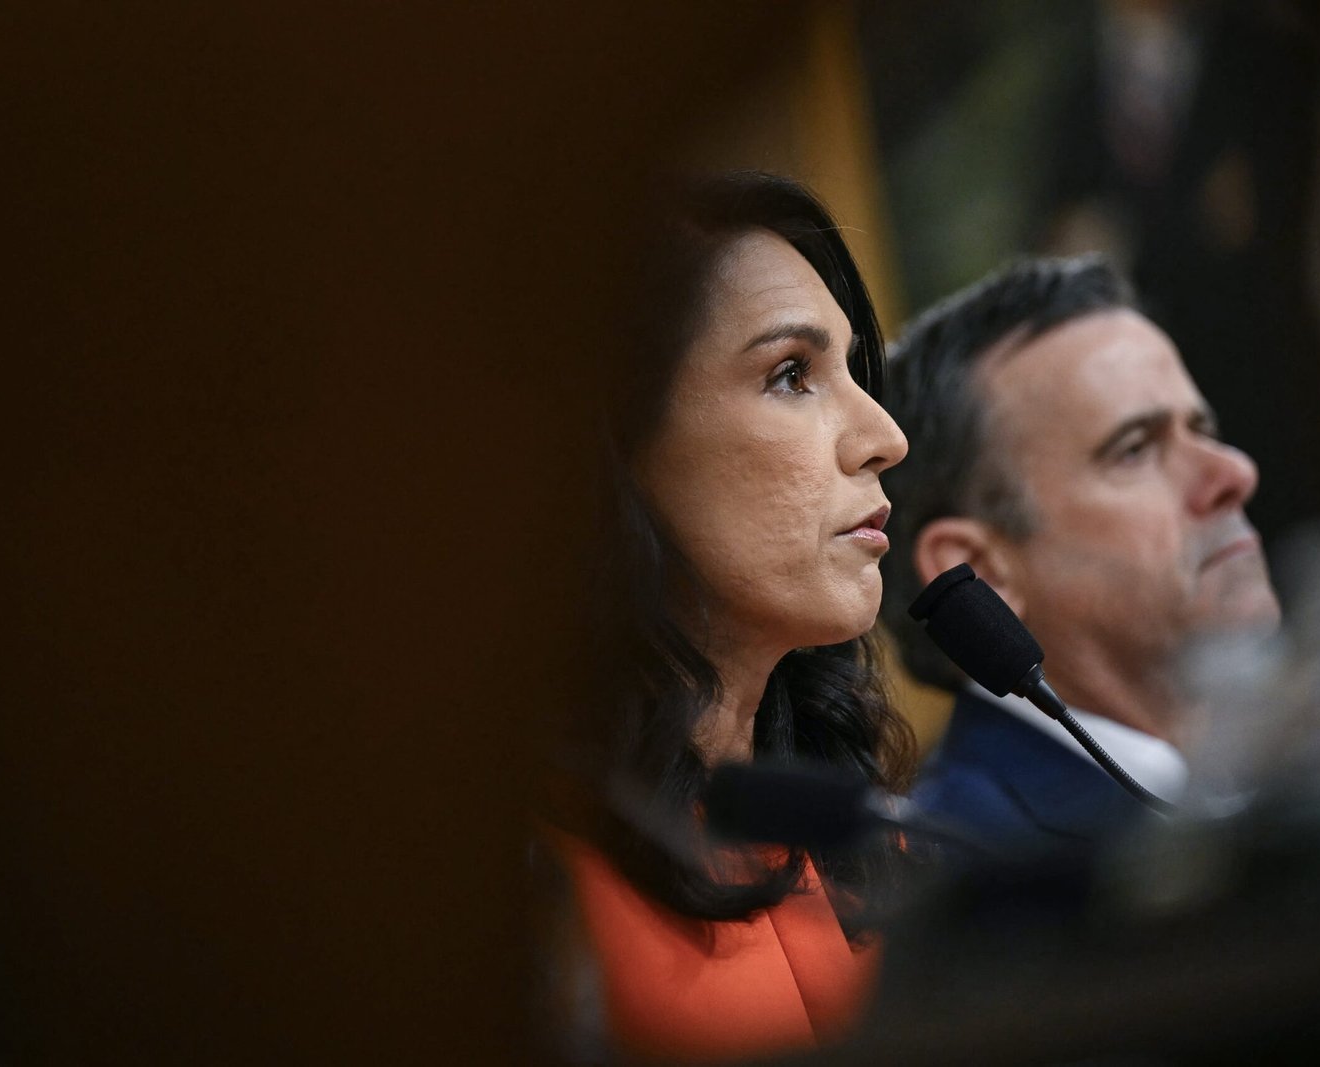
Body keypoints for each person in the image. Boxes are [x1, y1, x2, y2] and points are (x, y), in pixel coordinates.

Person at [544, 172, 917, 1063]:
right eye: (792, 374)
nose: (884, 436)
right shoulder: (519, 887)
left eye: (852, 369)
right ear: (615, 450)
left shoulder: (868, 825)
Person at [880, 255, 1279, 847]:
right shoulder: (971, 865)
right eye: (1134, 449)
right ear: (978, 573)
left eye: (1203, 431)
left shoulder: (1286, 759)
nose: (1234, 473)